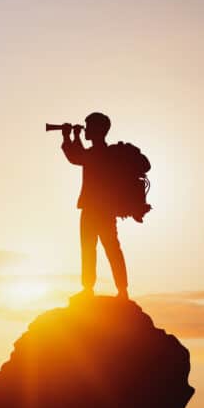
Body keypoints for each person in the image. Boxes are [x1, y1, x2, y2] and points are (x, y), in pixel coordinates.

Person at [60, 112, 129, 300]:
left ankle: (101, 288)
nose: (86, 129)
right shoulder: (103, 153)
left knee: (103, 248)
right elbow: (81, 156)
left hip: (96, 209)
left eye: (89, 126)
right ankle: (116, 289)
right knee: (103, 248)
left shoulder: (100, 153)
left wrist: (69, 137)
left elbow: (76, 157)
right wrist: (74, 137)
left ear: (99, 130)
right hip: (100, 209)